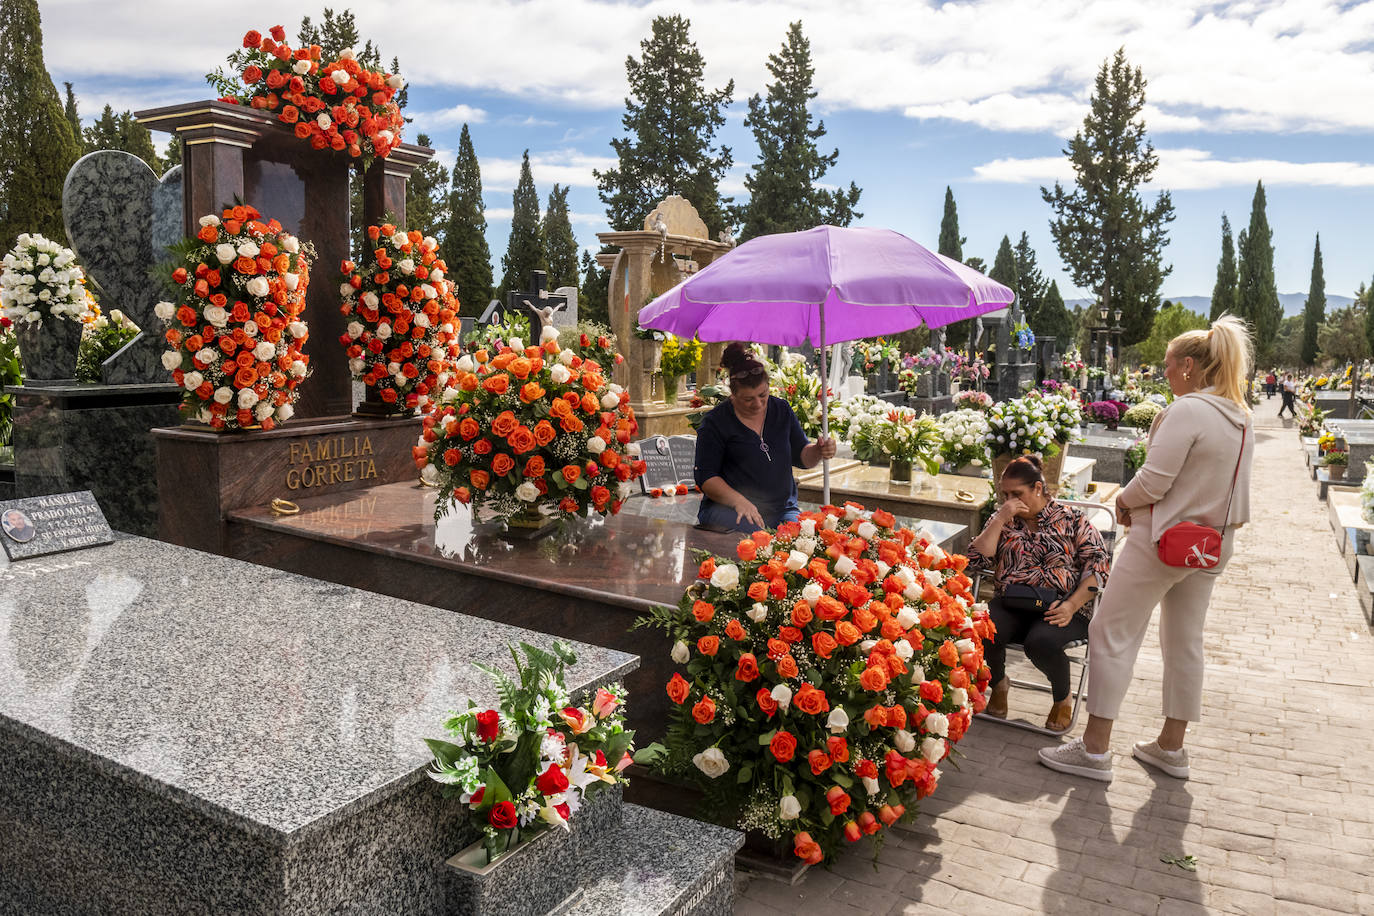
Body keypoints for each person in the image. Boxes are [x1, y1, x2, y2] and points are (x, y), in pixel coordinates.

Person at [1039, 314, 1253, 782]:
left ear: (1192, 367)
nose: (1165, 373)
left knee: (1111, 631)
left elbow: (1155, 480)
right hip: (1209, 546)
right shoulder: (1240, 416)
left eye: (1170, 365)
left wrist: (1123, 501)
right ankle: (1171, 747)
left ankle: (1094, 749)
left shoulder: (1190, 410)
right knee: (1185, 642)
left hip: (1162, 540)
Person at [967, 456, 1111, 732]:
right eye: (1005, 494)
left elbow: (1098, 569)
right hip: (1012, 602)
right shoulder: (1005, 520)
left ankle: (1062, 698)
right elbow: (974, 562)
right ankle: (998, 683)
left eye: (1016, 494)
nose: (1010, 501)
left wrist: (1071, 605)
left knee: (1041, 642)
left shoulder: (1073, 520)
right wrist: (999, 517)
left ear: (1037, 488)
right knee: (983, 629)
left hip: (1061, 605)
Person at [693, 343, 837, 532]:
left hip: (782, 508)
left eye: (763, 395)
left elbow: (803, 457)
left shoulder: (781, 410)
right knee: (757, 538)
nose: (758, 404)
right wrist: (739, 502)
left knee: (802, 535)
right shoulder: (715, 422)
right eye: (748, 399)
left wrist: (818, 451)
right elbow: (706, 477)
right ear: (733, 394)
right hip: (728, 509)